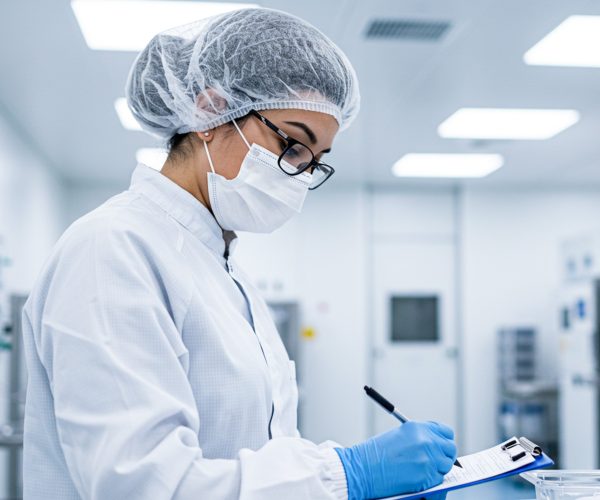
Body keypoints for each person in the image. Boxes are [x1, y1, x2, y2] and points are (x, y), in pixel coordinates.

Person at [21, 7, 456, 500]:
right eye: (293, 144)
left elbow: (256, 452)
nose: (299, 175)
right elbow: (141, 483)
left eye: (314, 164)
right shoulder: (111, 249)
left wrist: (363, 490)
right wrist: (346, 475)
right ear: (209, 112)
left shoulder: (224, 272)